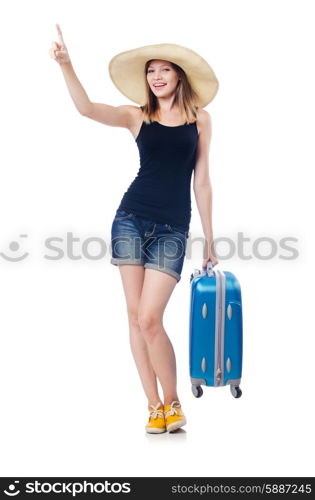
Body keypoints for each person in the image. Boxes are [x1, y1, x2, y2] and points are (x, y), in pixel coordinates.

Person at [49, 24, 219, 434]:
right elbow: (87, 108)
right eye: (150, 71)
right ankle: (153, 405)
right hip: (130, 219)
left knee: (150, 318)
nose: (157, 77)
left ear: (178, 75)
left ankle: (174, 401)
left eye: (164, 70)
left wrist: (210, 239)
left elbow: (202, 181)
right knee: (134, 317)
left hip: (172, 228)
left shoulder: (201, 120)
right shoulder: (137, 116)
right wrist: (67, 65)